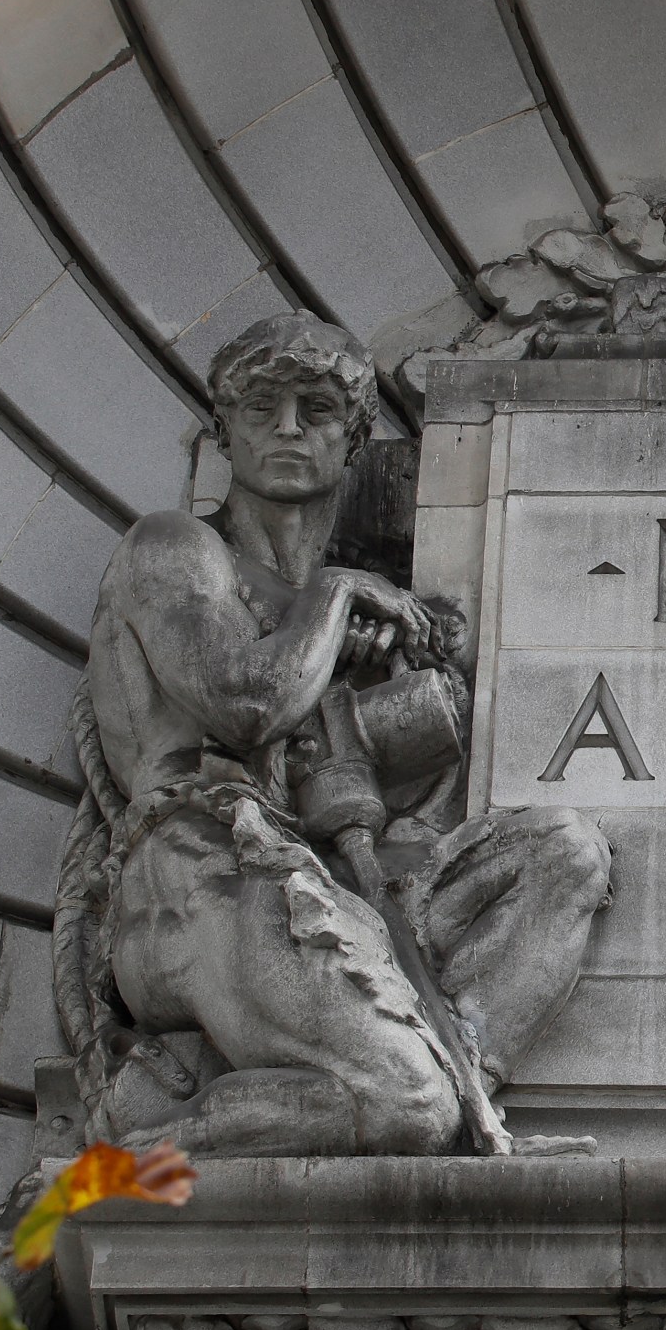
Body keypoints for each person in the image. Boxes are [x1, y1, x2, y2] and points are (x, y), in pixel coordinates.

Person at [64, 312, 609, 1156]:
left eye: (316, 410)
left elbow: (355, 777)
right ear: (225, 427)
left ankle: (449, 1087)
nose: (287, 429)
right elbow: (243, 707)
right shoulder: (172, 549)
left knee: (562, 853)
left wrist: (409, 684)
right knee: (407, 1108)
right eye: (261, 408)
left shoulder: (354, 619)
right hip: (202, 872)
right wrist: (340, 595)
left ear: (352, 439)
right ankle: (126, 1162)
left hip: (333, 880)